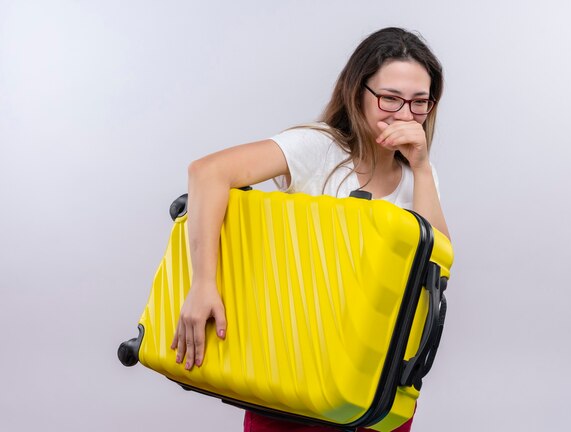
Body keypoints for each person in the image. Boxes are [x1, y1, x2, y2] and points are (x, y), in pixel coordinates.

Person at [170, 27, 450, 432]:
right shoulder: (318, 147)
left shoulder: (419, 173)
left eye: (419, 102)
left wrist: (422, 168)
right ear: (358, 92)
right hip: (295, 377)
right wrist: (203, 284)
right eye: (390, 98)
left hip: (374, 388)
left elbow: (438, 264)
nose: (405, 114)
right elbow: (208, 173)